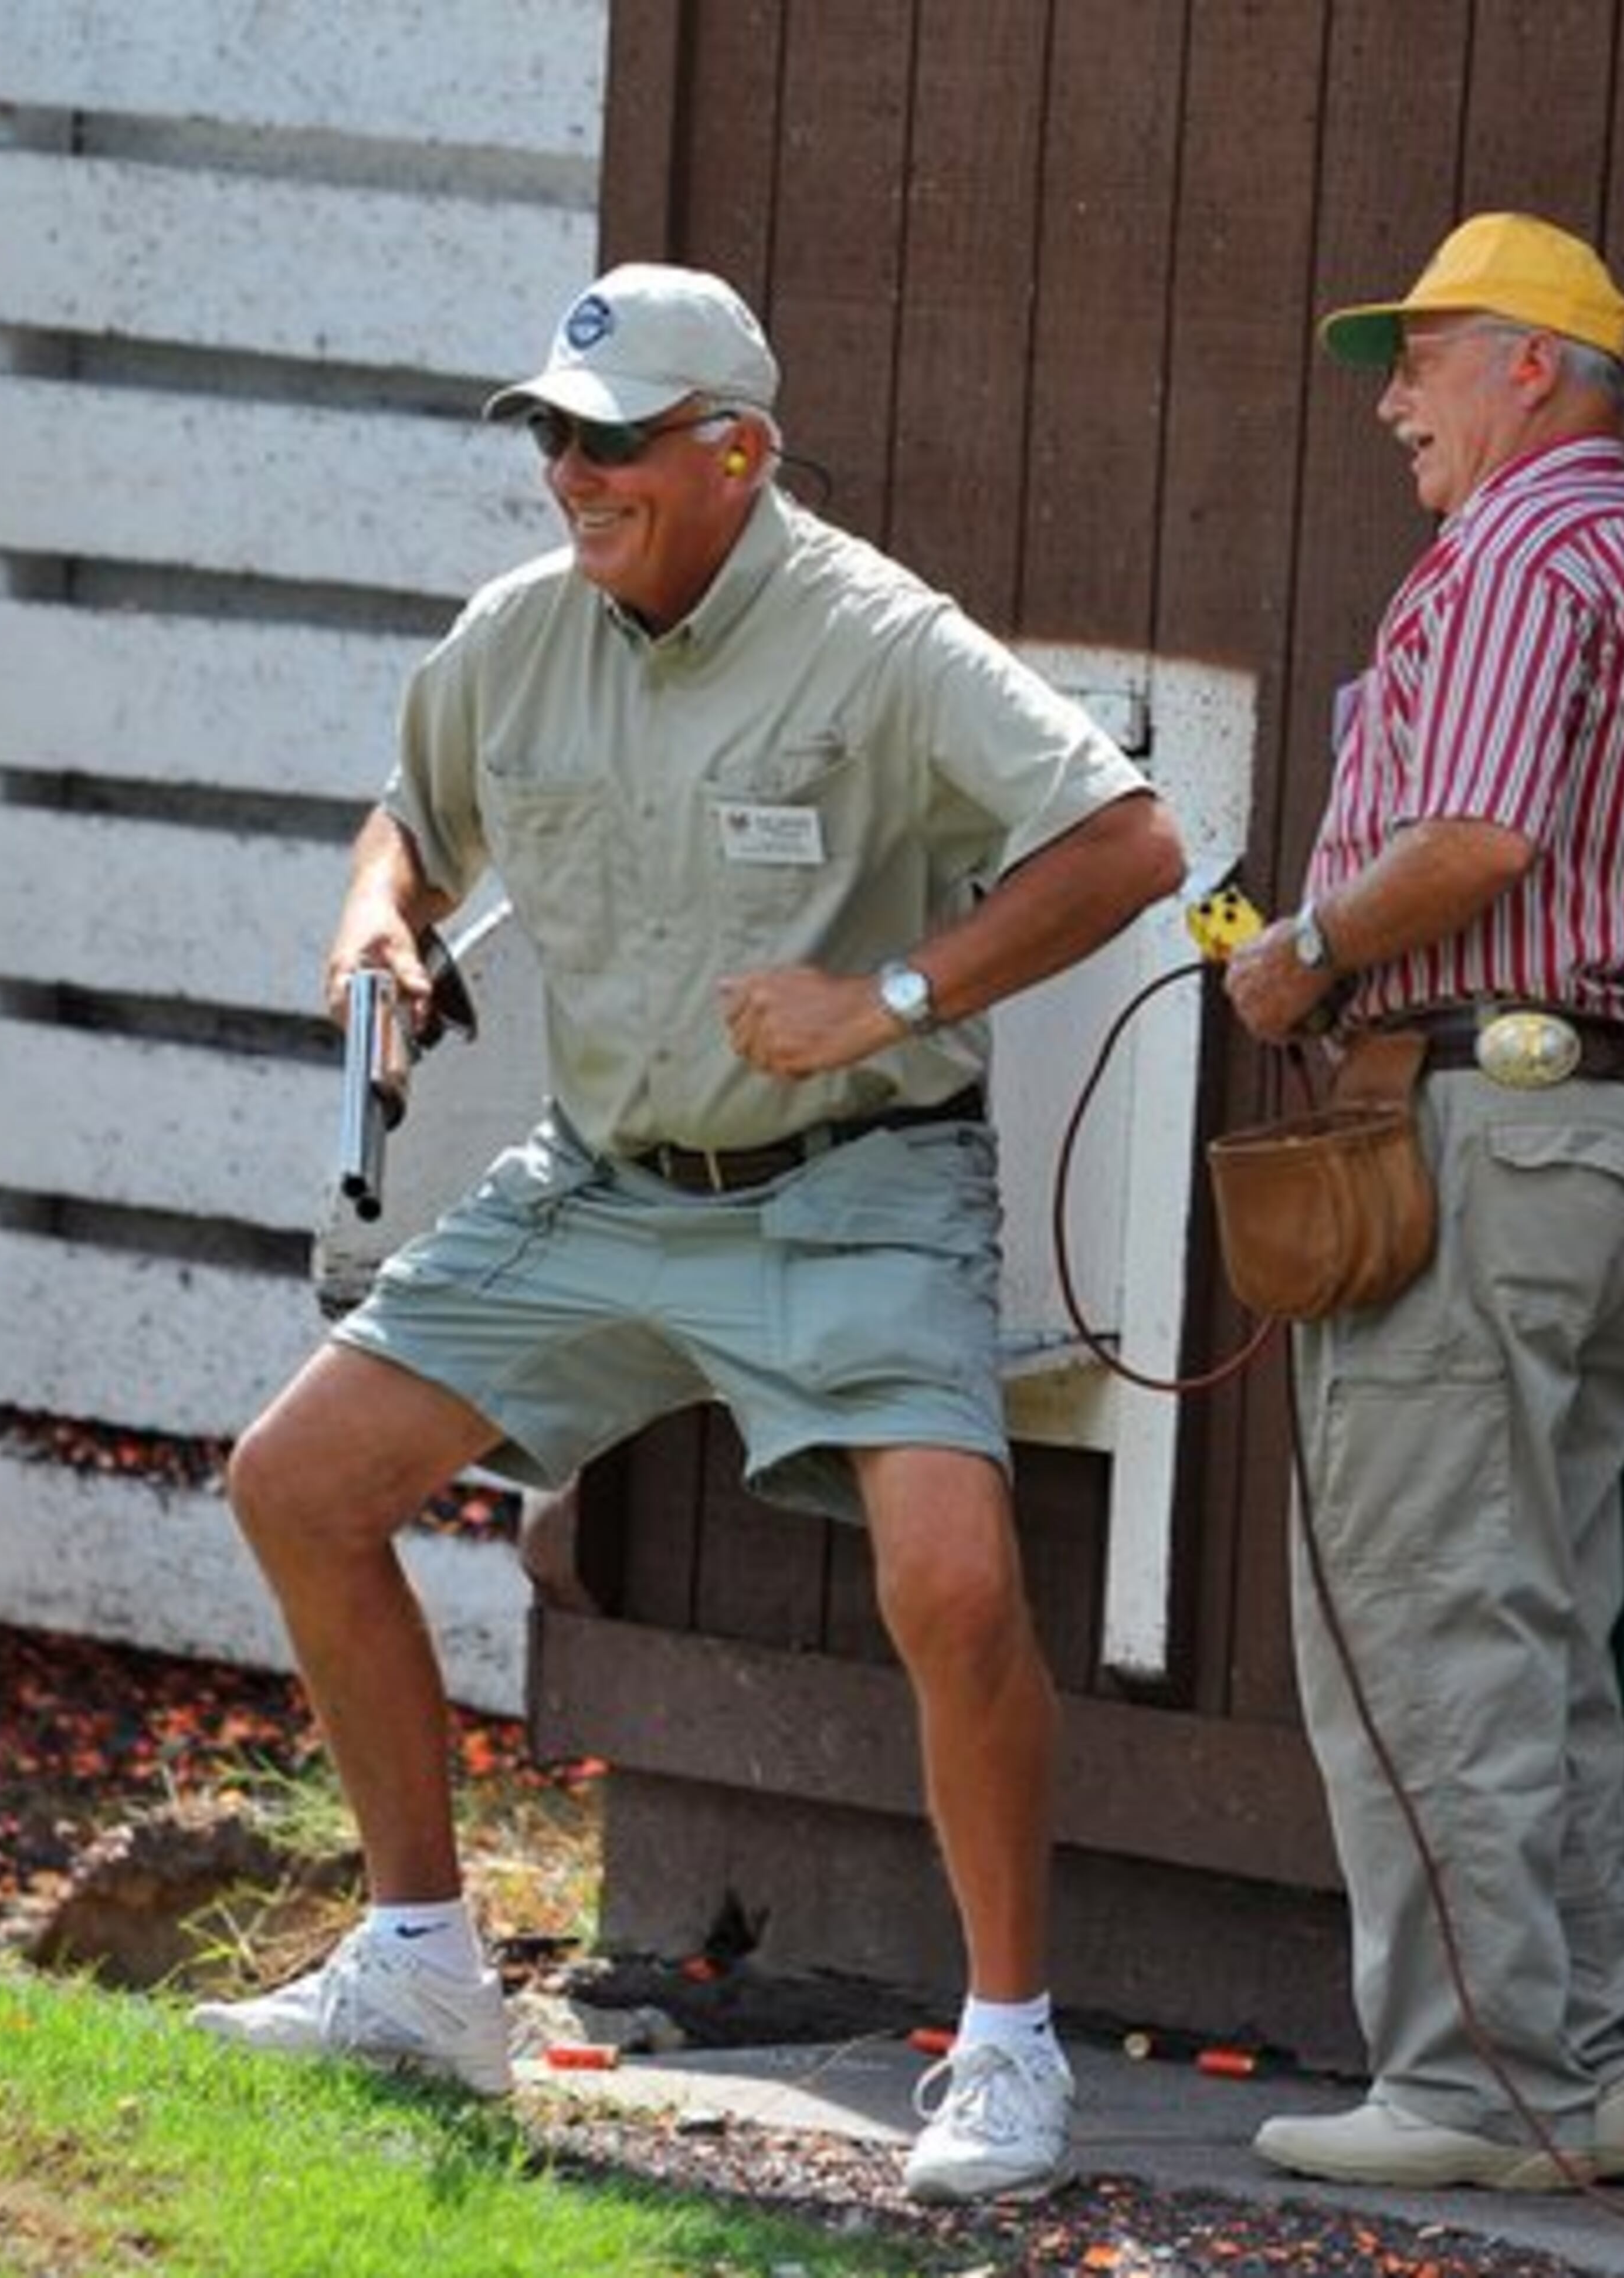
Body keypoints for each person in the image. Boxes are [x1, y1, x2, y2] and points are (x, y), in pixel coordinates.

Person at [191, 260, 1187, 2204]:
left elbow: (1132, 840)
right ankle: (418, 1968)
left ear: (739, 450)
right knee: (295, 1483)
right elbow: (413, 815)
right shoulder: (517, 637)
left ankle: (1006, 2048)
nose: (574, 472)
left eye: (618, 440)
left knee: (957, 1587)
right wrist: (374, 918)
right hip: (603, 1175)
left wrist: (888, 994)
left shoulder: (878, 635)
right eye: (554, 435)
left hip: (859, 1180)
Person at [1223, 213, 1624, 2192]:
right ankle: (1587, 2076)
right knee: (1549, 1626)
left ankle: (1469, 2091)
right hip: (1614, 1150)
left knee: (1429, 1619)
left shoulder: (1523, 552)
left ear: (1531, 367)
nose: (1394, 400)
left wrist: (1299, 956)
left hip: (1478, 1121)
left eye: (1424, 356)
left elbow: (1476, 832)